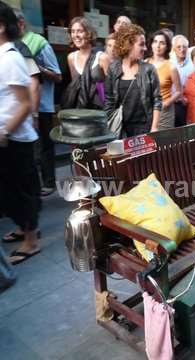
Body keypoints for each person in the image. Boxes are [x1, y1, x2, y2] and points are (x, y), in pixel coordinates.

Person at [0, 2, 41, 265]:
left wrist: (4, 132)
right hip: (9, 137)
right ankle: (24, 228)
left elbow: (25, 102)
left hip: (14, 139)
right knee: (11, 191)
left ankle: (31, 241)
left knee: (19, 191)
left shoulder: (11, 58)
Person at [15, 9, 62, 198]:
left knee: (43, 146)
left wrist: (36, 67)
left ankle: (49, 182)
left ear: (20, 24)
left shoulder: (39, 43)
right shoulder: (10, 44)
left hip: (41, 104)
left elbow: (58, 76)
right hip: (19, 105)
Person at [104, 24, 162, 137]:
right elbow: (109, 101)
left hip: (144, 128)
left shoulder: (149, 69)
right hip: (120, 128)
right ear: (128, 45)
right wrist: (108, 126)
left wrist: (154, 127)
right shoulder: (113, 68)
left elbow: (157, 100)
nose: (145, 48)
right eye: (141, 44)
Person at [64, 17, 110, 109]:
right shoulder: (71, 58)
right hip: (79, 110)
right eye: (73, 31)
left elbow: (111, 89)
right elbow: (75, 86)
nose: (76, 35)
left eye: (80, 31)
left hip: (99, 111)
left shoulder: (102, 58)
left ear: (89, 33)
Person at [146, 30, 181, 129]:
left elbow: (179, 91)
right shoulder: (145, 63)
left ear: (167, 47)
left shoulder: (171, 67)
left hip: (164, 112)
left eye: (162, 43)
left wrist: (167, 103)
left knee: (162, 141)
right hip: (146, 110)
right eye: (155, 42)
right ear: (151, 44)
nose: (158, 46)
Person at [170, 34, 194, 127]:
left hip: (185, 105)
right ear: (173, 48)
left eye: (184, 47)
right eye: (178, 47)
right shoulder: (169, 62)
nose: (182, 49)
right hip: (170, 104)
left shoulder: (193, 64)